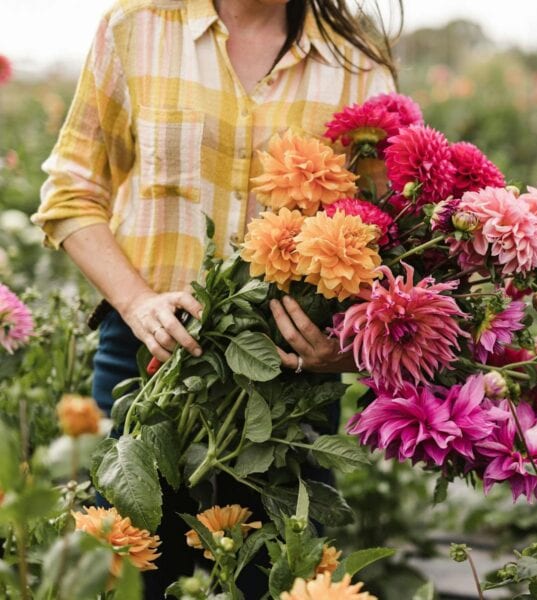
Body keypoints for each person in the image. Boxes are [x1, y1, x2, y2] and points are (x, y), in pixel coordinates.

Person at [32, 0, 399, 595]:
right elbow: (72, 191)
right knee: (127, 574)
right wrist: (136, 302)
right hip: (149, 359)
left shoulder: (357, 66)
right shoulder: (138, 26)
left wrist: (349, 346)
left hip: (289, 377)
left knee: (272, 580)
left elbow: (397, 235)